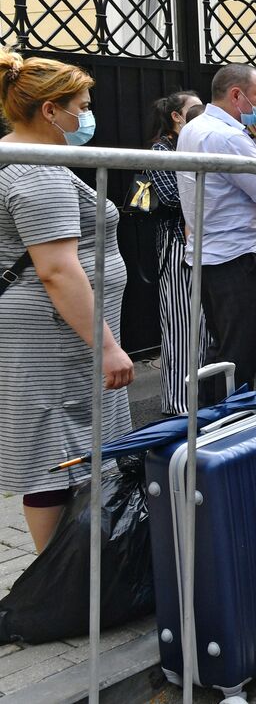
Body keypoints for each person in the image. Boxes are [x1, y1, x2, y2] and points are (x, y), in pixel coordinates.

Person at [0, 50, 134, 552]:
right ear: (51, 110)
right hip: (54, 336)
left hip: (56, 331)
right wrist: (107, 347)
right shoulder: (34, 170)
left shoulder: (25, 156)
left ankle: (69, 577)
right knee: (52, 454)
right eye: (82, 103)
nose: (88, 114)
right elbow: (58, 270)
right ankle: (55, 585)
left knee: (62, 451)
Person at [177, 63, 256, 403]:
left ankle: (213, 426)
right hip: (236, 257)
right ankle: (225, 427)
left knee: (224, 349)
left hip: (214, 253)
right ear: (236, 95)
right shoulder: (228, 136)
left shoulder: (195, 127)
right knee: (239, 356)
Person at [148, 90, 206, 414]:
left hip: (197, 243)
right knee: (181, 328)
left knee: (201, 327)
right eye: (193, 109)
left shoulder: (194, 145)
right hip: (175, 246)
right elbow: (173, 198)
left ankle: (202, 398)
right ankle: (179, 403)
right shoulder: (161, 150)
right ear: (176, 117)